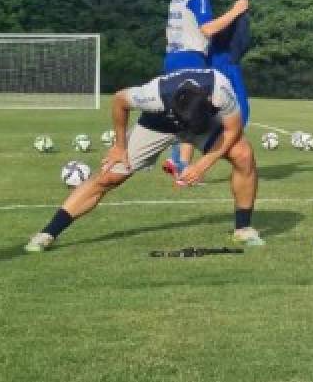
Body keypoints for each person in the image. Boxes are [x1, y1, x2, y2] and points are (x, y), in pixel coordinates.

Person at [24, 68, 263, 252]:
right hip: (159, 123)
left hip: (204, 125)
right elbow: (119, 100)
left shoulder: (220, 90)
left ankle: (243, 229)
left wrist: (203, 163)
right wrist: (119, 146)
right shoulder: (154, 95)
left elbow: (233, 131)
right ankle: (48, 233)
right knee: (110, 176)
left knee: (244, 155)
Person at [162, 0, 249, 180]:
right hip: (190, 60)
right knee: (201, 114)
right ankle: (187, 163)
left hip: (171, 59)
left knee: (184, 112)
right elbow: (208, 29)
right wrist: (235, 11)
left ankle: (179, 161)